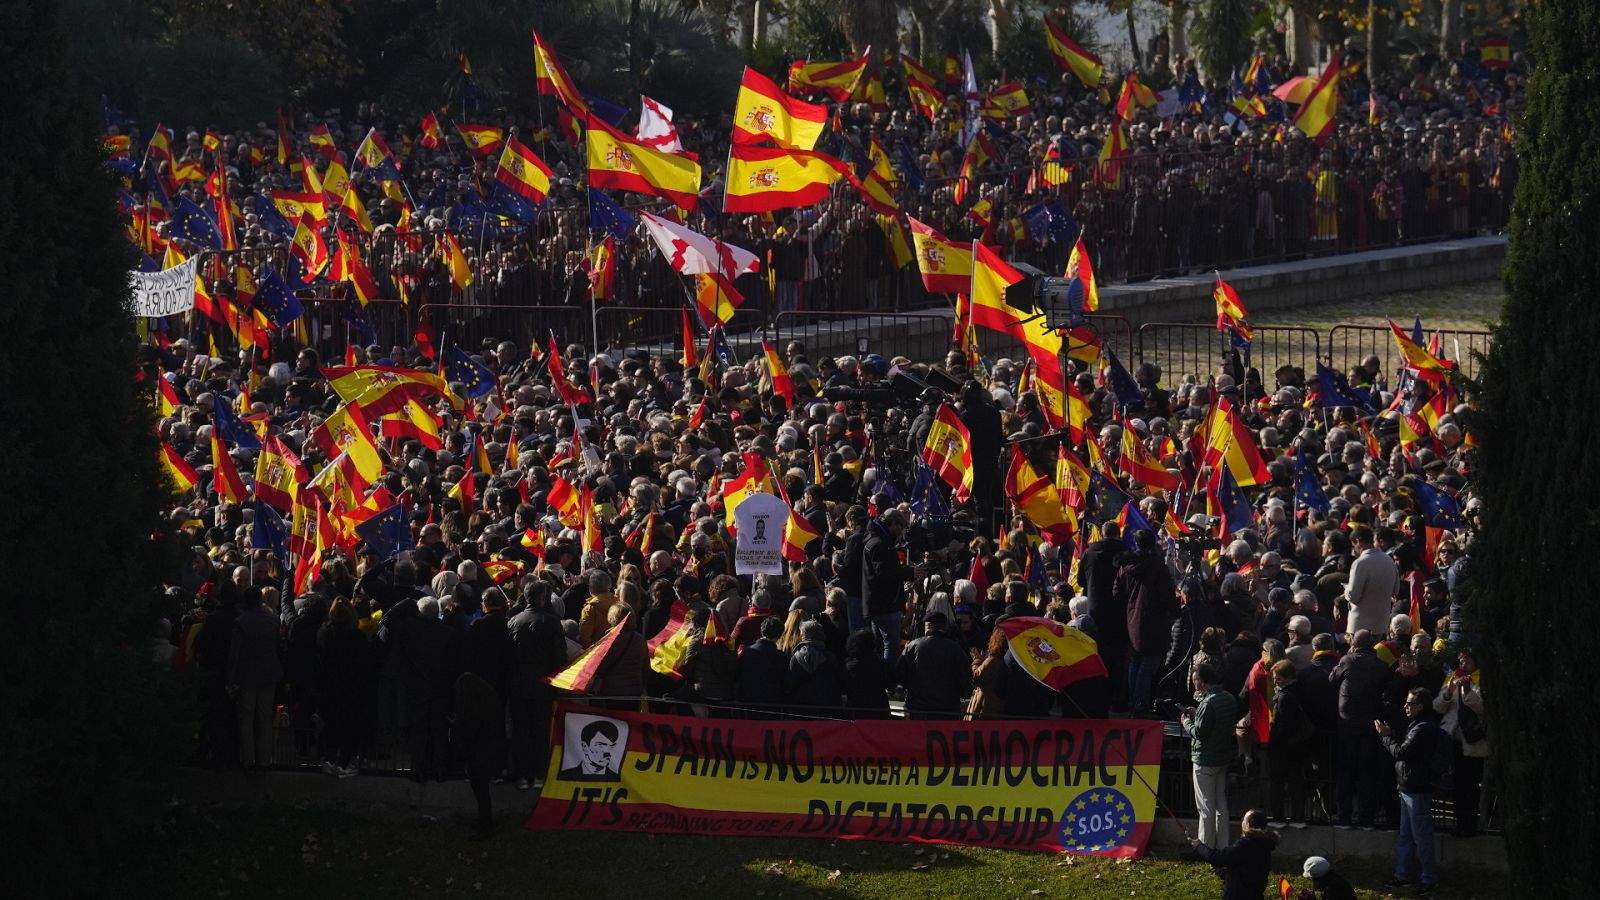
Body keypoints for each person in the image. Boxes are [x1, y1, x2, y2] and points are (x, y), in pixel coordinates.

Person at [1378, 687, 1441, 894]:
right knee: (1406, 835)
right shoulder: (1416, 725)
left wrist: (1386, 737)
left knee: (1420, 836)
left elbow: (1402, 752)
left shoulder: (1423, 728)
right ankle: (1403, 874)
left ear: (1421, 706)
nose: (1406, 706)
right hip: (1407, 786)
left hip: (1417, 788)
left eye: (1410, 703)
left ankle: (1428, 878)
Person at [1330, 629, 1392, 829]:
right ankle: (1367, 819)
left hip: (1347, 724)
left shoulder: (1348, 661)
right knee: (1368, 773)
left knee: (1346, 772)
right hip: (1370, 725)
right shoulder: (1382, 667)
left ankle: (1344, 817)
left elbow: (1332, 679)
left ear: (1354, 645)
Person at [1116, 529, 1177, 715]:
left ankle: (1134, 701)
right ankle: (1140, 704)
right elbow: (1166, 595)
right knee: (1148, 663)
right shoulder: (1157, 566)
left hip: (1132, 618)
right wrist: (1175, 611)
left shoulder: (1126, 566)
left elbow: (1117, 592)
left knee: (1136, 661)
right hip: (1154, 620)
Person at [1433, 646, 1488, 835]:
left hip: (1471, 741)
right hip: (1452, 737)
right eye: (1462, 661)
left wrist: (1466, 691)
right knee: (1455, 784)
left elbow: (1481, 708)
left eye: (1468, 662)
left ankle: (1469, 823)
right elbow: (1438, 707)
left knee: (1469, 784)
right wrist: (1448, 694)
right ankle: (1458, 821)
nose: (1464, 665)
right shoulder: (1452, 677)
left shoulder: (1481, 680)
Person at [1182, 662, 1238, 848]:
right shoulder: (1228, 698)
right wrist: (1197, 714)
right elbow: (1216, 723)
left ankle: (1205, 847)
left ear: (1203, 682)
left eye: (1195, 681)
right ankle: (1223, 844)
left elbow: (1200, 733)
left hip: (1205, 759)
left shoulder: (1208, 703)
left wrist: (1186, 722)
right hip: (1222, 757)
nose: (1194, 685)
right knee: (1220, 803)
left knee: (1205, 806)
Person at [1189, 808, 1279, 900]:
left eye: (1244, 819)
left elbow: (1216, 857)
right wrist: (1224, 873)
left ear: (1247, 825)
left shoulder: (1244, 845)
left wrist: (1199, 846)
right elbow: (1248, 873)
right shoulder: (1264, 846)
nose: (1242, 821)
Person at [896, 612, 971, 720]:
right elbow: (965, 677)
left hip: (919, 708)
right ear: (945, 627)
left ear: (928, 626)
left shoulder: (913, 646)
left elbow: (900, 674)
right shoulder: (955, 649)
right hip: (947, 709)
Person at [558, 719, 622, 781]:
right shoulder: (564, 776)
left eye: (611, 746)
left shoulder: (618, 779)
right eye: (600, 745)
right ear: (585, 747)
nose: (608, 751)